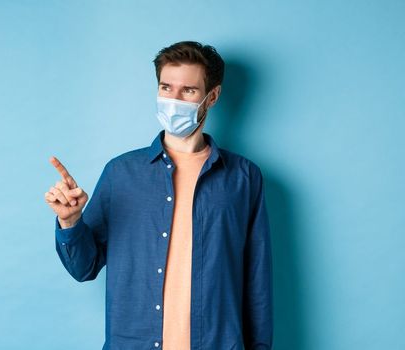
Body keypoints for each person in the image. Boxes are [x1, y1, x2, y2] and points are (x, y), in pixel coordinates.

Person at [44, 41, 272, 350]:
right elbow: (84, 268)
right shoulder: (121, 174)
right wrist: (70, 222)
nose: (173, 100)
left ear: (212, 96)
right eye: (166, 88)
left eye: (188, 91)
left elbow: (257, 284)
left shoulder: (243, 178)